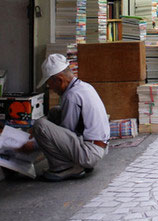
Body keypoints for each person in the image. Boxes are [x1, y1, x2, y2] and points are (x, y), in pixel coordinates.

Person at [18, 53, 110, 181]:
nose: (51, 89)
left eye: (50, 84)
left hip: (90, 153)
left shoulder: (72, 96)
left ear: (60, 80)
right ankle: (76, 163)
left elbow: (68, 131)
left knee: (40, 125)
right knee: (55, 112)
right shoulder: (83, 86)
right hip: (98, 147)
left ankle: (64, 167)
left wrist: (33, 145)